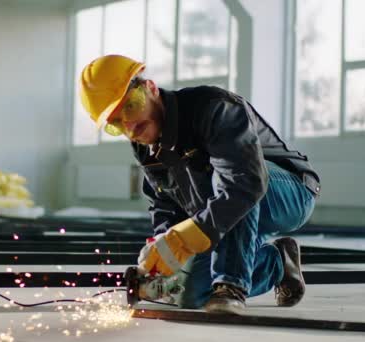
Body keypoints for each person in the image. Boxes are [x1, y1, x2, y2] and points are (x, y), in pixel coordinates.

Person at [78, 55, 320, 314]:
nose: (130, 126)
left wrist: (189, 238)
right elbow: (163, 202)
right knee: (190, 292)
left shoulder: (213, 108)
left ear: (150, 88)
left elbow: (244, 182)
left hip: (288, 193)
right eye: (116, 124)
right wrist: (163, 245)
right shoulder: (145, 146)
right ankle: (278, 264)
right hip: (227, 210)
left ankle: (231, 285)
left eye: (130, 107)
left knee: (230, 179)